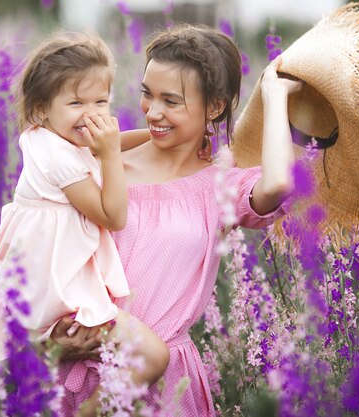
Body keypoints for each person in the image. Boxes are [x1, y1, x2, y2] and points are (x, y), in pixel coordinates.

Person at [52, 24, 302, 416]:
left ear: (215, 107)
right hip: (81, 366)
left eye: (171, 101)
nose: (153, 112)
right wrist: (47, 341)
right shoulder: (102, 164)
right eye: (147, 94)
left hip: (164, 379)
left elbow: (278, 182)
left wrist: (273, 96)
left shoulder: (218, 185)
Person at [0, 31, 169, 417]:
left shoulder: (50, 137)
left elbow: (110, 143)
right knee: (150, 356)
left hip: (47, 285)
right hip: (55, 296)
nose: (91, 113)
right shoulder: (57, 157)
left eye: (101, 101)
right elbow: (113, 216)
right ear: (40, 109)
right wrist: (110, 156)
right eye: (76, 102)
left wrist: (156, 139)